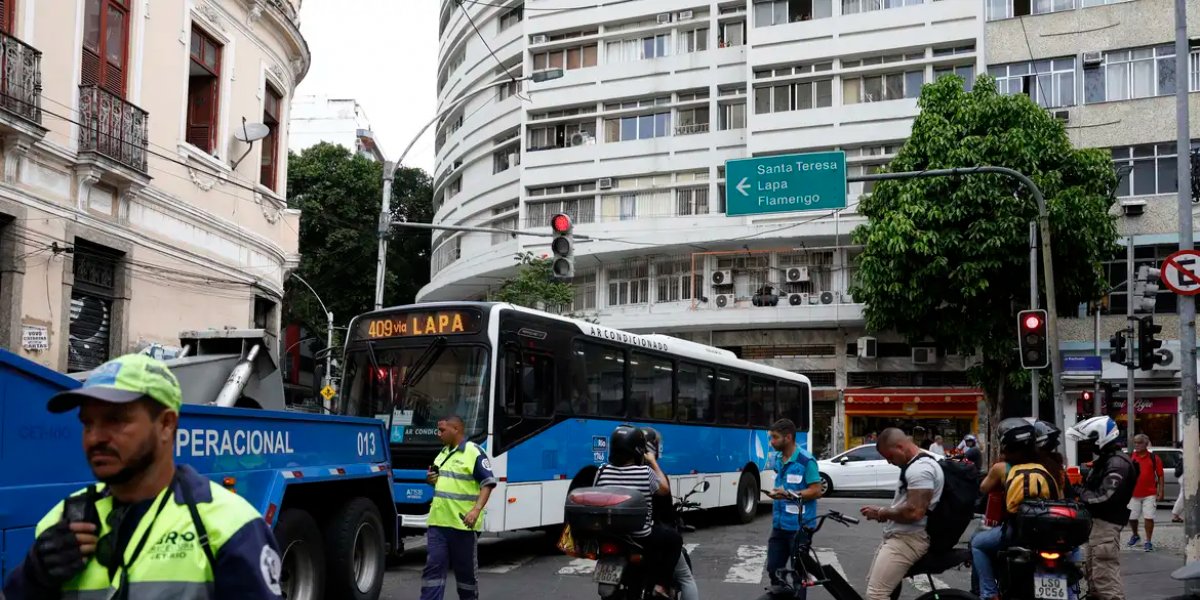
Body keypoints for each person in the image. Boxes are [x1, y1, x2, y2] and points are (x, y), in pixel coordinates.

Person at [3, 354, 283, 600]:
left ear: (165, 424)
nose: (95, 437)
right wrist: (33, 576)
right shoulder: (61, 520)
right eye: (87, 423)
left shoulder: (230, 527)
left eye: (116, 420)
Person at [970, 418, 1063, 600]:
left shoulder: (1002, 468)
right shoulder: (1050, 465)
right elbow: (1060, 497)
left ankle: (989, 593)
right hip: (1051, 532)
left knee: (977, 544)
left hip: (1017, 531)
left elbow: (983, 489)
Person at [594, 426, 681, 598]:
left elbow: (596, 494)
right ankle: (662, 585)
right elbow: (664, 489)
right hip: (640, 536)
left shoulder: (602, 470)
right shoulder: (645, 472)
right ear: (638, 450)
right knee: (675, 540)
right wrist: (653, 462)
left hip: (610, 535)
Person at [859, 428, 944, 600]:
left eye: (889, 456)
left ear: (900, 446)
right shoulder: (916, 464)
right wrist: (881, 511)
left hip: (908, 539)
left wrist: (881, 513)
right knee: (877, 587)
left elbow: (914, 512)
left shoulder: (920, 469)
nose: (889, 462)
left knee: (876, 595)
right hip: (898, 537)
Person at [421, 415, 498, 600]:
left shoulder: (473, 452)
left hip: (463, 525)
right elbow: (442, 483)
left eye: (442, 430)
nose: (438, 434)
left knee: (466, 576)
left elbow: (487, 482)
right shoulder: (442, 453)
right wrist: (431, 480)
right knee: (433, 570)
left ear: (456, 429)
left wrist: (476, 510)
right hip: (438, 524)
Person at [1067, 416, 1138, 600]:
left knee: (1106, 583)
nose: (1089, 445)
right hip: (1097, 527)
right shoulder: (1108, 460)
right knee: (1094, 580)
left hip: (1106, 526)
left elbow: (1105, 497)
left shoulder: (1117, 463)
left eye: (1091, 440)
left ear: (1102, 437)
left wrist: (1078, 493)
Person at [764, 419, 823, 599]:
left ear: (788, 437)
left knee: (798, 573)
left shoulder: (806, 461)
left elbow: (816, 490)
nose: (771, 442)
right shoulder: (778, 460)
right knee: (774, 569)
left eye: (775, 437)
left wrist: (789, 494)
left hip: (799, 528)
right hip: (779, 525)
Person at [641, 427, 699, 600]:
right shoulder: (651, 475)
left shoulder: (616, 470)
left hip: (624, 535)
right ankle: (662, 585)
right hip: (651, 535)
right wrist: (653, 463)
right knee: (686, 577)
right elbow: (665, 500)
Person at [1126, 433, 1165, 551]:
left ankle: (1148, 541)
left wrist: (1161, 491)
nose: (1136, 445)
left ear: (1146, 444)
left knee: (1149, 517)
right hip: (1133, 493)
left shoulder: (1154, 458)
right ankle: (1135, 535)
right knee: (1132, 517)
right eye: (1135, 443)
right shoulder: (1131, 457)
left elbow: (1160, 476)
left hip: (1150, 493)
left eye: (1139, 443)